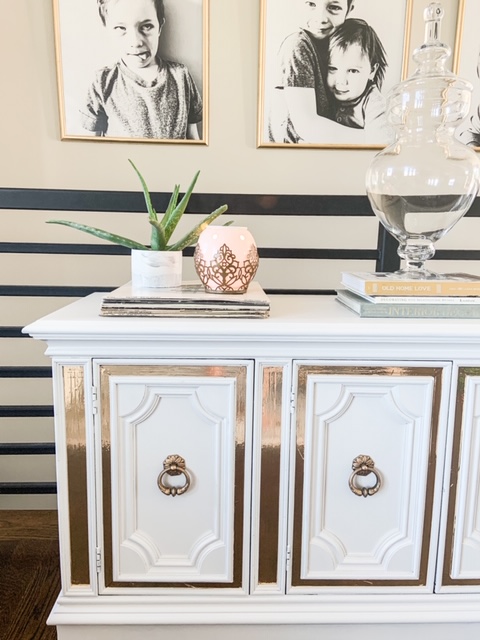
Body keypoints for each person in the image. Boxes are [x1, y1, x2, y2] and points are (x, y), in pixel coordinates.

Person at [79, 0, 203, 140]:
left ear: (160, 26)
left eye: (147, 26)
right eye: (121, 28)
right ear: (107, 28)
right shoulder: (102, 83)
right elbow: (91, 147)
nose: (136, 42)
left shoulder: (181, 76)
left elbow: (194, 140)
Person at [268, 0, 354, 143]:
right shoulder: (297, 45)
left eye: (334, 7)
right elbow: (307, 125)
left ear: (349, 9)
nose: (321, 19)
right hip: (292, 153)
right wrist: (373, 137)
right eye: (311, 4)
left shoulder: (343, 46)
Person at [326, 18, 388, 131]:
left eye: (353, 71)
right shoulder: (324, 94)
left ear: (372, 71)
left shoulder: (375, 104)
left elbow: (382, 142)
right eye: (332, 68)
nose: (341, 81)